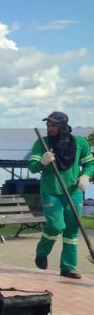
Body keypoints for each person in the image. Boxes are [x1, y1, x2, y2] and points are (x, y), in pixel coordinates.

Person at [28, 111, 93, 279]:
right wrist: (42, 161)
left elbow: (90, 164)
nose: (50, 128)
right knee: (55, 226)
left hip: (74, 192)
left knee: (72, 230)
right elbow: (33, 166)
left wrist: (86, 176)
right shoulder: (42, 143)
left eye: (53, 125)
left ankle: (68, 267)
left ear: (63, 125)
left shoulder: (80, 143)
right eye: (48, 125)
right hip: (51, 192)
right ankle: (42, 252)